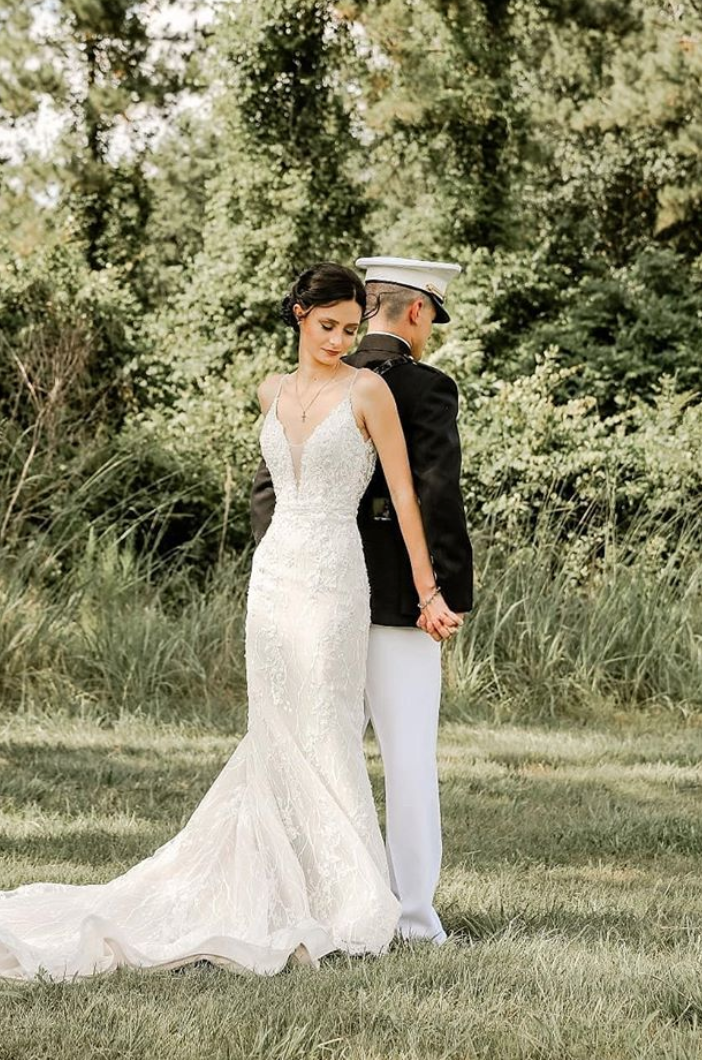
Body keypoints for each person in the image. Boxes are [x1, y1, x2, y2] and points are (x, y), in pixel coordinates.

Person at [0, 262, 454, 982]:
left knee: (325, 727)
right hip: (273, 581)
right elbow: (272, 493)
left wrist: (428, 591)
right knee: (275, 729)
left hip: (336, 581)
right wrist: (275, 554)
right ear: (298, 314)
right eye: (328, 326)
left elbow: (406, 498)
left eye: (351, 329)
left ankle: (344, 890)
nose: (339, 340)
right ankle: (279, 884)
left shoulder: (370, 393)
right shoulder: (270, 392)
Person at [251, 256, 473, 945]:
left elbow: (269, 496)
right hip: (398, 603)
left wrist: (285, 561)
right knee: (407, 756)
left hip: (301, 590)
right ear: (417, 311)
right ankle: (409, 915)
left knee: (310, 744)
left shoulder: (306, 384)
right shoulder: (427, 387)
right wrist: (441, 594)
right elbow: (433, 495)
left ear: (366, 307)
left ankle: (307, 893)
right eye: (433, 315)